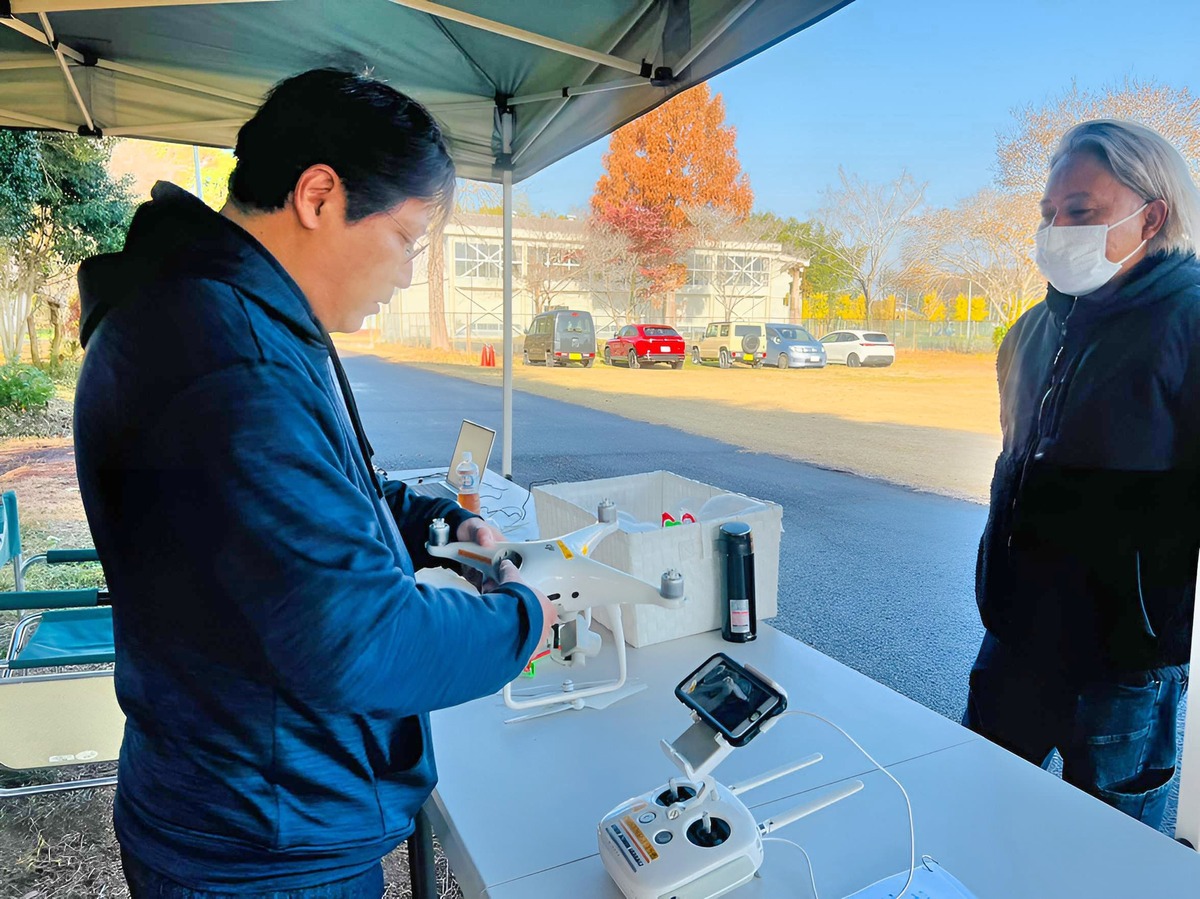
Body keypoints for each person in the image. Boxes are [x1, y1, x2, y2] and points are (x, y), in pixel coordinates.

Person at [73, 69, 556, 897]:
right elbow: (360, 640)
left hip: (226, 795)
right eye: (406, 240)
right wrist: (524, 619)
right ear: (319, 194)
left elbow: (303, 495)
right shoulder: (232, 359)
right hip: (264, 841)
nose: (406, 274)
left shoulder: (205, 311)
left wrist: (434, 523)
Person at [969, 119, 1200, 830]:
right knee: (980, 822)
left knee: (1111, 859)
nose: (1056, 228)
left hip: (1123, 668)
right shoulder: (1031, 330)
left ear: (1150, 215)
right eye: (1050, 213)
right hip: (1012, 641)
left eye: (1081, 212)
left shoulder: (1189, 320)